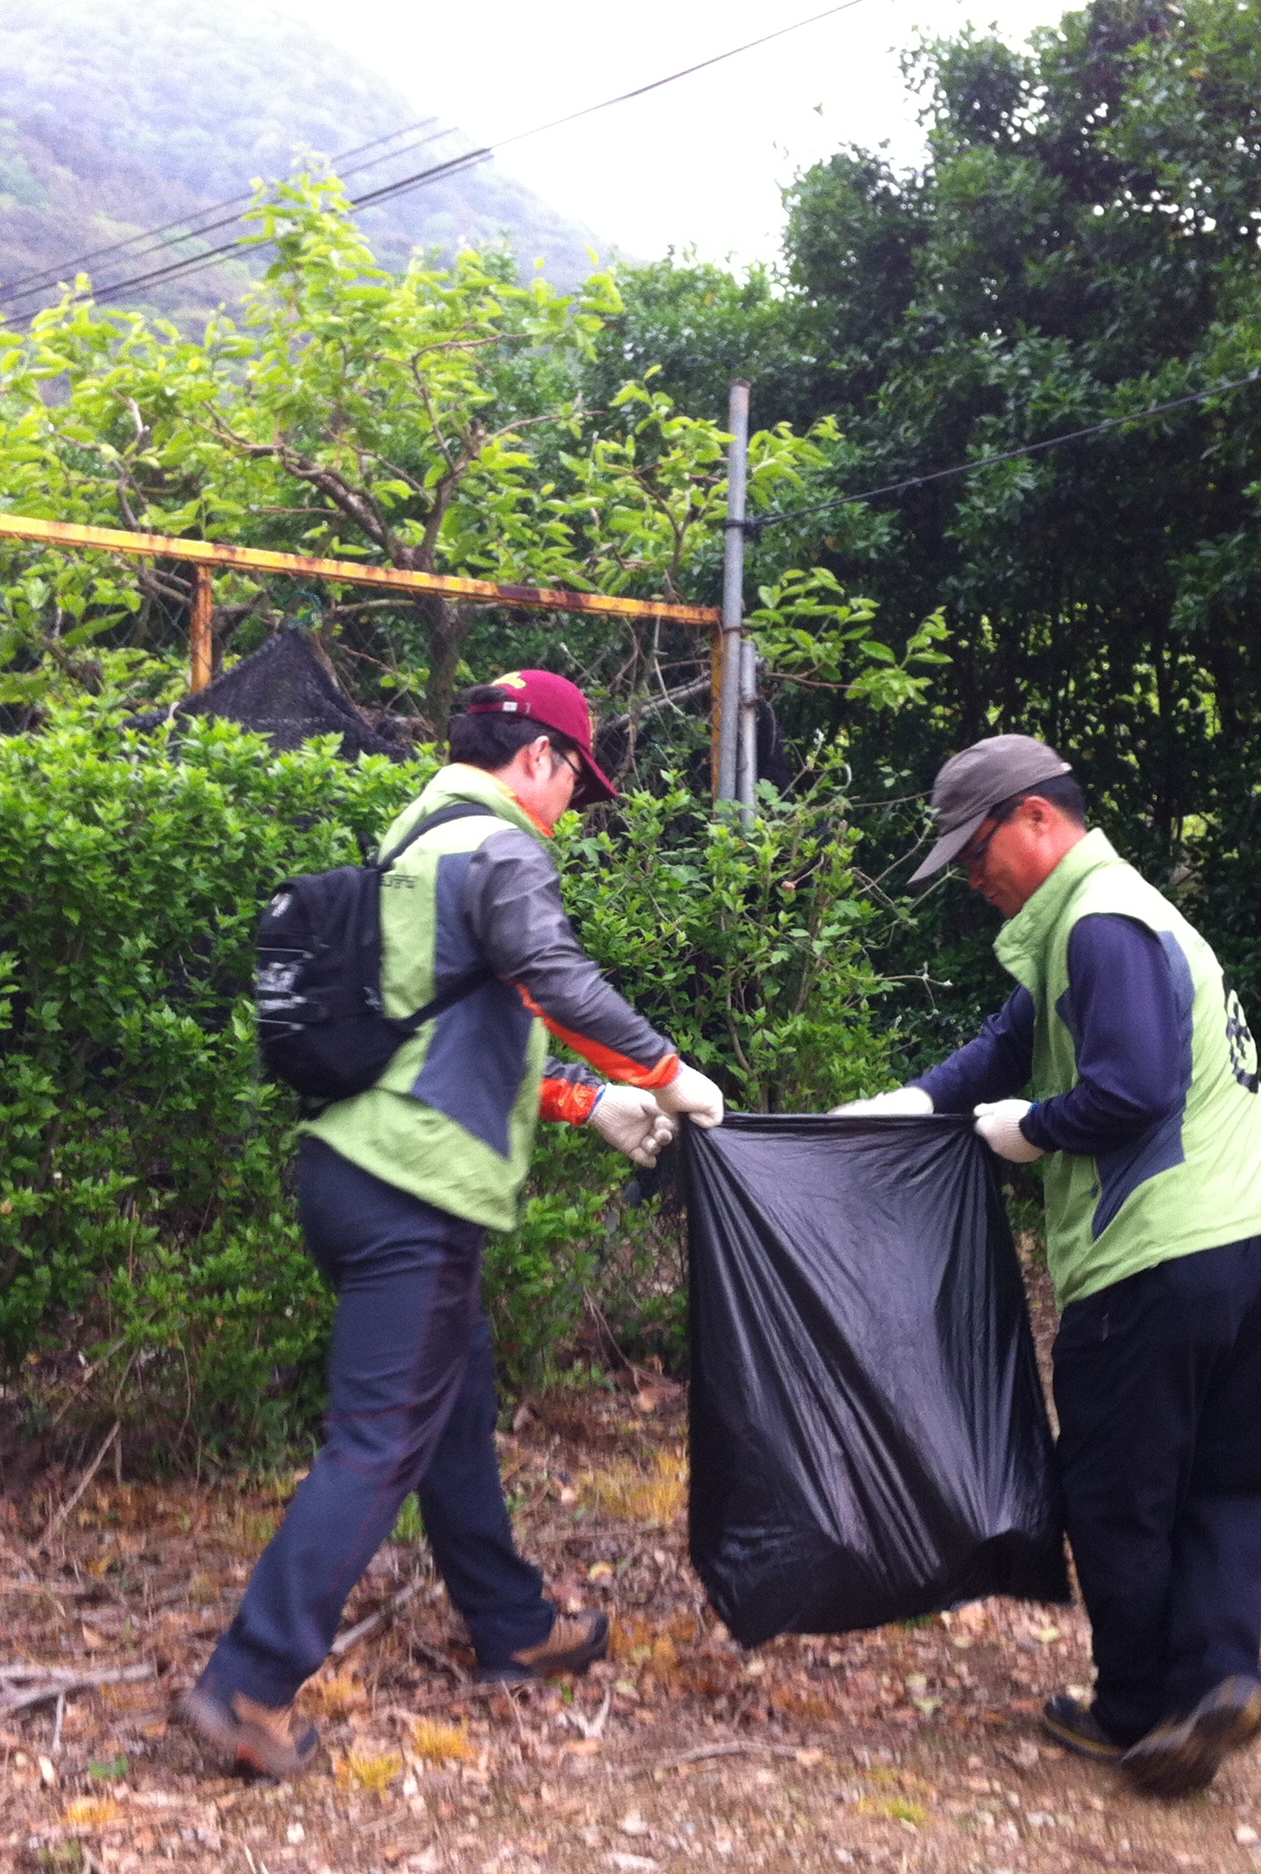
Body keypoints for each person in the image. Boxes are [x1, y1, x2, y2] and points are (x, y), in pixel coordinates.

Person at [181, 669, 727, 1779]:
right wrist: (668, 1074)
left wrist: (589, 1098)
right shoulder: (503, 844)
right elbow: (553, 975)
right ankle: (248, 1681)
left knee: (454, 1404)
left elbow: (462, 1025)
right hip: (413, 1195)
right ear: (541, 759)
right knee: (378, 1442)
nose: (573, 804)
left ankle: (511, 1620)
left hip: (354, 1170)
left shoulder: (417, 837)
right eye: (578, 780)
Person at [836, 735, 1261, 1799]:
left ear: (1038, 818)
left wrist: (1027, 1133)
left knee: (1113, 1490)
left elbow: (1132, 1090)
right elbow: (1005, 1047)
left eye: (977, 849)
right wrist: (908, 1108)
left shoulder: (1096, 924)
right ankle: (1223, 1676)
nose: (971, 877)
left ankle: (1139, 1709)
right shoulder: (1115, 916)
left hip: (1161, 1261)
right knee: (1232, 1480)